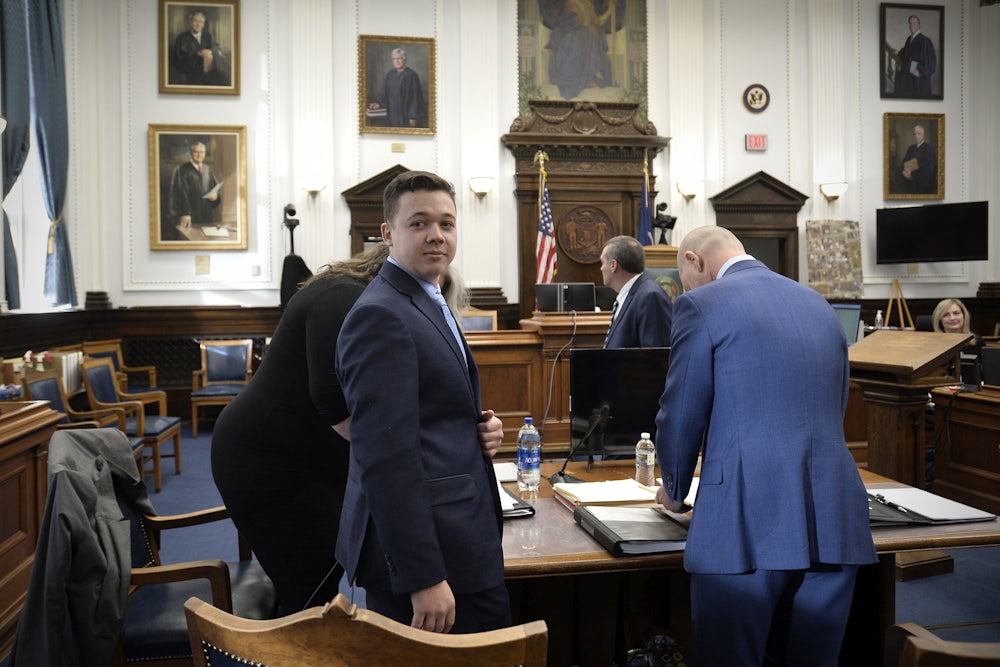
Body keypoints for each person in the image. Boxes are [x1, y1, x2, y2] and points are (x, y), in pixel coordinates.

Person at [211, 243, 477, 617]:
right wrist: (421, 452)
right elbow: (334, 402)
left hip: (317, 457)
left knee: (326, 569)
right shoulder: (343, 295)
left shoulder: (377, 300)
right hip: (267, 460)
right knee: (308, 583)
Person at [653, 226, 877, 666]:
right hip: (832, 515)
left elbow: (680, 413)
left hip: (744, 520)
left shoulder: (700, 304)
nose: (686, 286)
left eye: (684, 276)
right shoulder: (818, 304)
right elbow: (837, 403)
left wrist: (674, 489)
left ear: (695, 261)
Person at [335, 170, 509, 634]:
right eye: (419, 224)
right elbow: (385, 458)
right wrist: (422, 575)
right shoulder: (380, 314)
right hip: (433, 556)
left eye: (447, 223)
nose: (437, 235)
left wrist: (476, 432)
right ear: (388, 234)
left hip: (456, 534)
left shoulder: (426, 295)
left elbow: (428, 414)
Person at [540, 0, 626, 99]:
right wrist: (582, 19)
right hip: (567, 39)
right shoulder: (570, 3)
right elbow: (572, 22)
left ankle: (591, 73)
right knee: (590, 32)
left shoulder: (588, 4)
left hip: (583, 36)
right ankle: (587, 76)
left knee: (592, 32)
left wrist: (610, 10)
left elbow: (598, 22)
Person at [600, 235, 673, 348]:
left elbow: (655, 355)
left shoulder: (649, 297)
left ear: (613, 265)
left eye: (602, 263)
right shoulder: (633, 294)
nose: (601, 268)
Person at [167, 141, 221, 240]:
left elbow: (215, 189)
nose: (199, 155)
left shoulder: (207, 169)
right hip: (189, 217)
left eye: (202, 152)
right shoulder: (182, 170)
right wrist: (185, 213)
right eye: (196, 152)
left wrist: (215, 196)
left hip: (206, 216)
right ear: (191, 153)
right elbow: (180, 193)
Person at [368, 48, 424, 128]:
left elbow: (415, 97)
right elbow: (384, 92)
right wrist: (379, 103)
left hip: (405, 114)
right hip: (392, 112)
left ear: (404, 59)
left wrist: (413, 116)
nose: (396, 61)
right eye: (394, 59)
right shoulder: (390, 74)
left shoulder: (411, 75)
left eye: (399, 58)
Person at [171, 10, 229, 86]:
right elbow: (178, 60)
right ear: (190, 22)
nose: (198, 24)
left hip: (209, 73)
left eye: (201, 22)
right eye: (195, 21)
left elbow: (217, 47)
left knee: (224, 78)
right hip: (190, 74)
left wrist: (210, 51)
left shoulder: (207, 36)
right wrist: (198, 53)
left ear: (203, 24)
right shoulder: (182, 38)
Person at [891, 14, 937, 96]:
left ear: (919, 25)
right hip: (910, 71)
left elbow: (932, 62)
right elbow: (907, 53)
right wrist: (898, 52)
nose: (912, 25)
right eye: (910, 23)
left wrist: (921, 73)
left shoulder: (925, 40)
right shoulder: (909, 39)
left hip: (919, 75)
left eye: (914, 23)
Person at [900, 124, 937, 194]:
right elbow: (903, 164)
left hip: (923, 187)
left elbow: (929, 170)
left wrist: (912, 174)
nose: (916, 136)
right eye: (914, 134)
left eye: (918, 134)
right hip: (910, 186)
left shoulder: (929, 148)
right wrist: (904, 172)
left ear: (923, 135)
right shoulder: (910, 149)